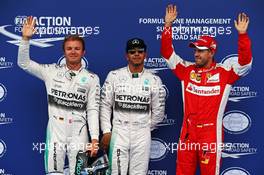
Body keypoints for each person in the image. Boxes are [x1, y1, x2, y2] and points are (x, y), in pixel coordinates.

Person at [161, 5, 252, 175]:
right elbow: (167, 54)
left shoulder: (225, 73)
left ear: (211, 52)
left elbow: (245, 64)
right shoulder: (186, 70)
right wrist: (167, 26)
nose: (196, 53)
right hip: (188, 133)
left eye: (201, 50)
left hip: (210, 134)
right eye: (195, 50)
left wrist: (242, 36)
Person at [17, 16, 100, 175]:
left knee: (80, 173)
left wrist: (95, 138)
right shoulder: (51, 71)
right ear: (64, 51)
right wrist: (25, 39)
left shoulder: (92, 78)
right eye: (69, 48)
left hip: (79, 132)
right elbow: (24, 63)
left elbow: (93, 109)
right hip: (56, 130)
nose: (73, 51)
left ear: (84, 52)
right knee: (54, 173)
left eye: (77, 48)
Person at [100, 38, 166, 174]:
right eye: (132, 52)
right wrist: (106, 131)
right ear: (127, 55)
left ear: (145, 54)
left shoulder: (154, 80)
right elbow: (105, 105)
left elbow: (159, 111)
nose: (136, 54)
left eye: (140, 51)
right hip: (119, 132)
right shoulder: (114, 76)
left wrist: (145, 126)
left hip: (142, 134)